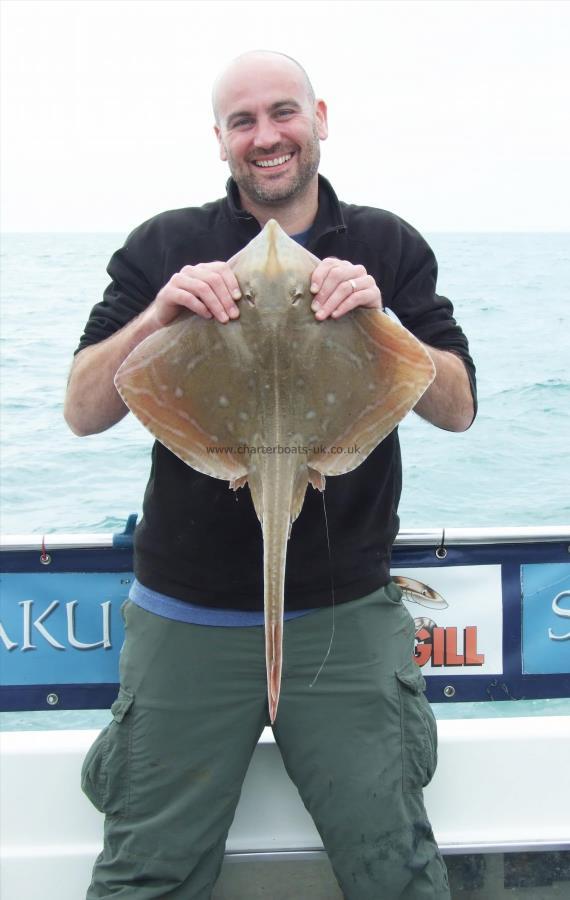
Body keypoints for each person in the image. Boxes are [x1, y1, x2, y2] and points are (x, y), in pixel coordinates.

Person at [65, 50, 476, 900]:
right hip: (187, 617)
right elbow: (82, 410)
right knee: (148, 872)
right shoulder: (166, 245)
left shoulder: (384, 244)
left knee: (393, 867)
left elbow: (459, 408)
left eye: (282, 112)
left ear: (320, 117)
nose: (267, 135)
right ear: (219, 140)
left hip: (344, 617)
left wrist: (380, 320)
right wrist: (162, 314)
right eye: (243, 121)